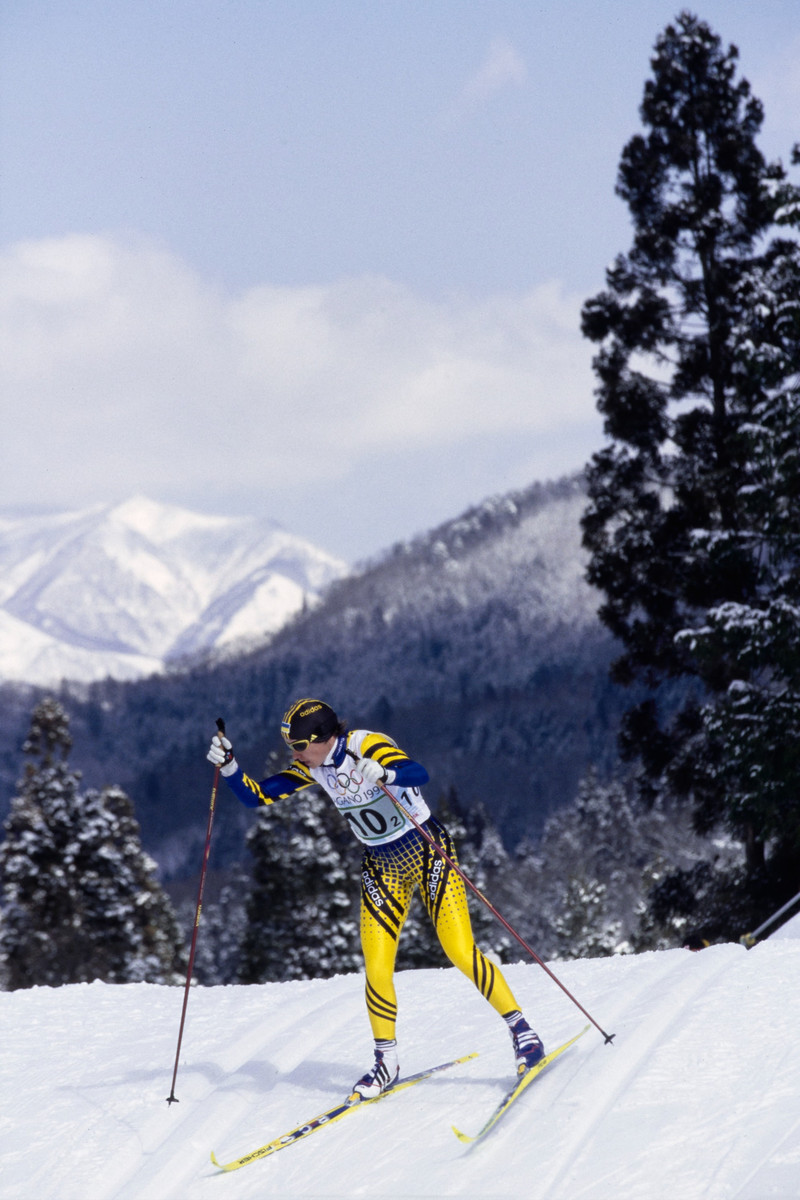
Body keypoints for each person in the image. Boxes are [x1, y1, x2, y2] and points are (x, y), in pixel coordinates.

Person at [207, 697, 545, 1099]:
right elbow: (258, 796)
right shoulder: (312, 767)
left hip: (426, 852)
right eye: (290, 747)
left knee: (459, 950)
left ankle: (524, 1034)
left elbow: (419, 772)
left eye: (298, 746)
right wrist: (229, 768)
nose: (293, 754)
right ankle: (386, 1062)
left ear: (322, 738)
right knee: (377, 966)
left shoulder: (365, 744)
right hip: (382, 867)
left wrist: (386, 771)